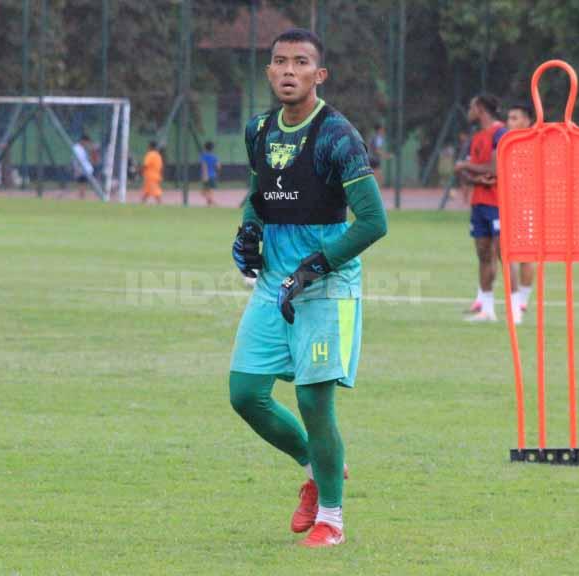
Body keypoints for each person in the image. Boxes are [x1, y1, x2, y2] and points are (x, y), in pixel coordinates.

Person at [229, 28, 388, 548]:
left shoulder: (338, 135)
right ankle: (318, 473)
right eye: (280, 62)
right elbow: (259, 194)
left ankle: (333, 521)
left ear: (319, 75)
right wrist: (249, 229)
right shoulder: (258, 129)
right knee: (246, 393)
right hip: (275, 283)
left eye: (301, 62)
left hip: (327, 285)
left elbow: (372, 222)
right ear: (269, 72)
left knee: (314, 403)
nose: (289, 70)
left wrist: (315, 267)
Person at [454, 94, 506, 322]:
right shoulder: (476, 137)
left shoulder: (500, 133)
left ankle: (516, 306)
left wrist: (466, 166)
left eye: (471, 106)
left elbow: (494, 170)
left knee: (502, 255)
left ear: (481, 108)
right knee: (483, 254)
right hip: (479, 203)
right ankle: (486, 309)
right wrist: (474, 176)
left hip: (498, 203)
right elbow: (466, 173)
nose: (469, 110)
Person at [502, 102, 536, 323]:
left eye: (515, 118)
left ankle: (521, 302)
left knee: (527, 255)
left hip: (529, 206)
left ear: (527, 121)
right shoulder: (507, 143)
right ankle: (516, 302)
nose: (510, 122)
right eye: (509, 118)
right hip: (509, 205)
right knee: (507, 254)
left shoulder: (535, 142)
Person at [71, 133, 95, 200]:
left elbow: (88, 159)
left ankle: (82, 197)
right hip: (81, 169)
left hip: (87, 169)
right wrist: (76, 169)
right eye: (86, 142)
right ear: (83, 140)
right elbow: (76, 160)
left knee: (84, 184)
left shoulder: (84, 148)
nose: (87, 143)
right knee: (82, 184)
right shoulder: (76, 148)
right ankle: (81, 198)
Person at [199, 141, 220, 206]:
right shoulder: (215, 157)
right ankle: (211, 201)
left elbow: (204, 166)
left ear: (205, 148)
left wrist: (205, 175)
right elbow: (218, 166)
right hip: (213, 175)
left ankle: (210, 202)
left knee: (204, 191)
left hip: (206, 175)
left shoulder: (203, 156)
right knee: (211, 190)